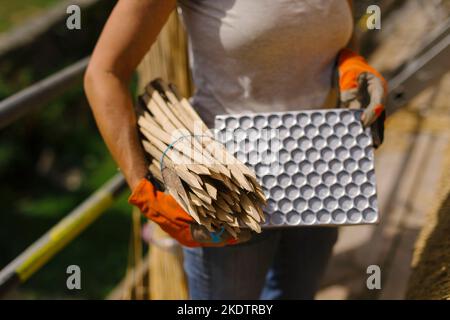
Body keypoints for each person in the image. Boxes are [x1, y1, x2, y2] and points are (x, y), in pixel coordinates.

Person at [84, 0, 387, 299]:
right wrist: (145, 191)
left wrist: (350, 63)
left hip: (318, 169)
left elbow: (334, 34)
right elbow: (104, 74)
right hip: (229, 192)